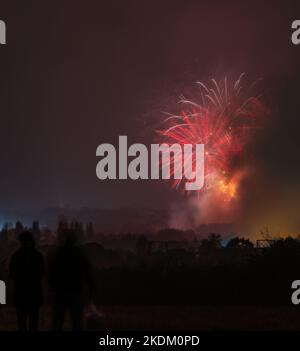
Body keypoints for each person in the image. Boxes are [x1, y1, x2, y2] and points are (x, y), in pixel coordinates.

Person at [49, 229, 93, 331]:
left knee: (57, 323)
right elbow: (87, 271)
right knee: (77, 322)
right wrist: (91, 288)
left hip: (60, 292)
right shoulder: (79, 253)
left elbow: (51, 272)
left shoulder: (58, 253)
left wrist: (52, 288)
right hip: (76, 291)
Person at [9, 231, 45, 331]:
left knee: (21, 322)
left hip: (20, 294)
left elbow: (12, 275)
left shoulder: (16, 256)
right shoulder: (37, 256)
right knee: (34, 321)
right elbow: (42, 273)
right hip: (34, 293)